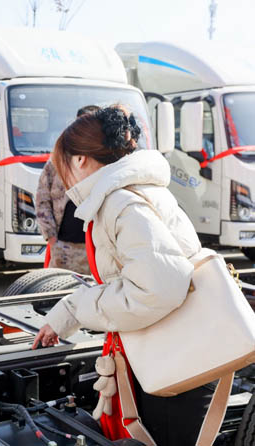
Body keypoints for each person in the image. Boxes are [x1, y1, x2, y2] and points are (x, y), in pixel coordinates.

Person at [32, 106, 213, 445]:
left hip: (175, 363)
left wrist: (78, 307)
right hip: (179, 354)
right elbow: (133, 279)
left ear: (80, 160)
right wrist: (68, 312)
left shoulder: (121, 203)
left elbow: (157, 290)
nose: (62, 175)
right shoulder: (130, 191)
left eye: (61, 164)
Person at [36, 105, 98, 274]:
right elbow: (42, 199)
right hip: (63, 248)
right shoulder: (58, 159)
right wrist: (51, 236)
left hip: (96, 248)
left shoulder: (105, 160)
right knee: (59, 287)